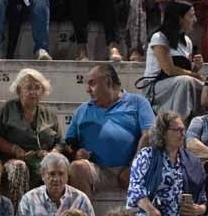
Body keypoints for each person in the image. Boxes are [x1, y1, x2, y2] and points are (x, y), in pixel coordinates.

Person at [64, 65, 156, 200]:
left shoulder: (137, 102)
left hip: (131, 166)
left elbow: (149, 135)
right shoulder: (82, 110)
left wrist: (133, 167)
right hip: (97, 170)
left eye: (92, 83)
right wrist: (76, 153)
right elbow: (70, 143)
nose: (87, 90)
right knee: (77, 167)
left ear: (108, 82)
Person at [0, 69, 61, 211]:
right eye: (29, 88)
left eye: (37, 88)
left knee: (55, 168)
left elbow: (60, 142)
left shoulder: (49, 114)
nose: (33, 92)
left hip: (41, 159)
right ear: (19, 90)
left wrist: (52, 153)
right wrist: (14, 149)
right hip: (12, 159)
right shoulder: (8, 109)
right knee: (19, 167)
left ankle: (50, 215)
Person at [17, 152, 96, 216]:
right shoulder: (28, 200)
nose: (57, 179)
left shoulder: (80, 199)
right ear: (43, 175)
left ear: (67, 176)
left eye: (61, 174)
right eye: (52, 174)